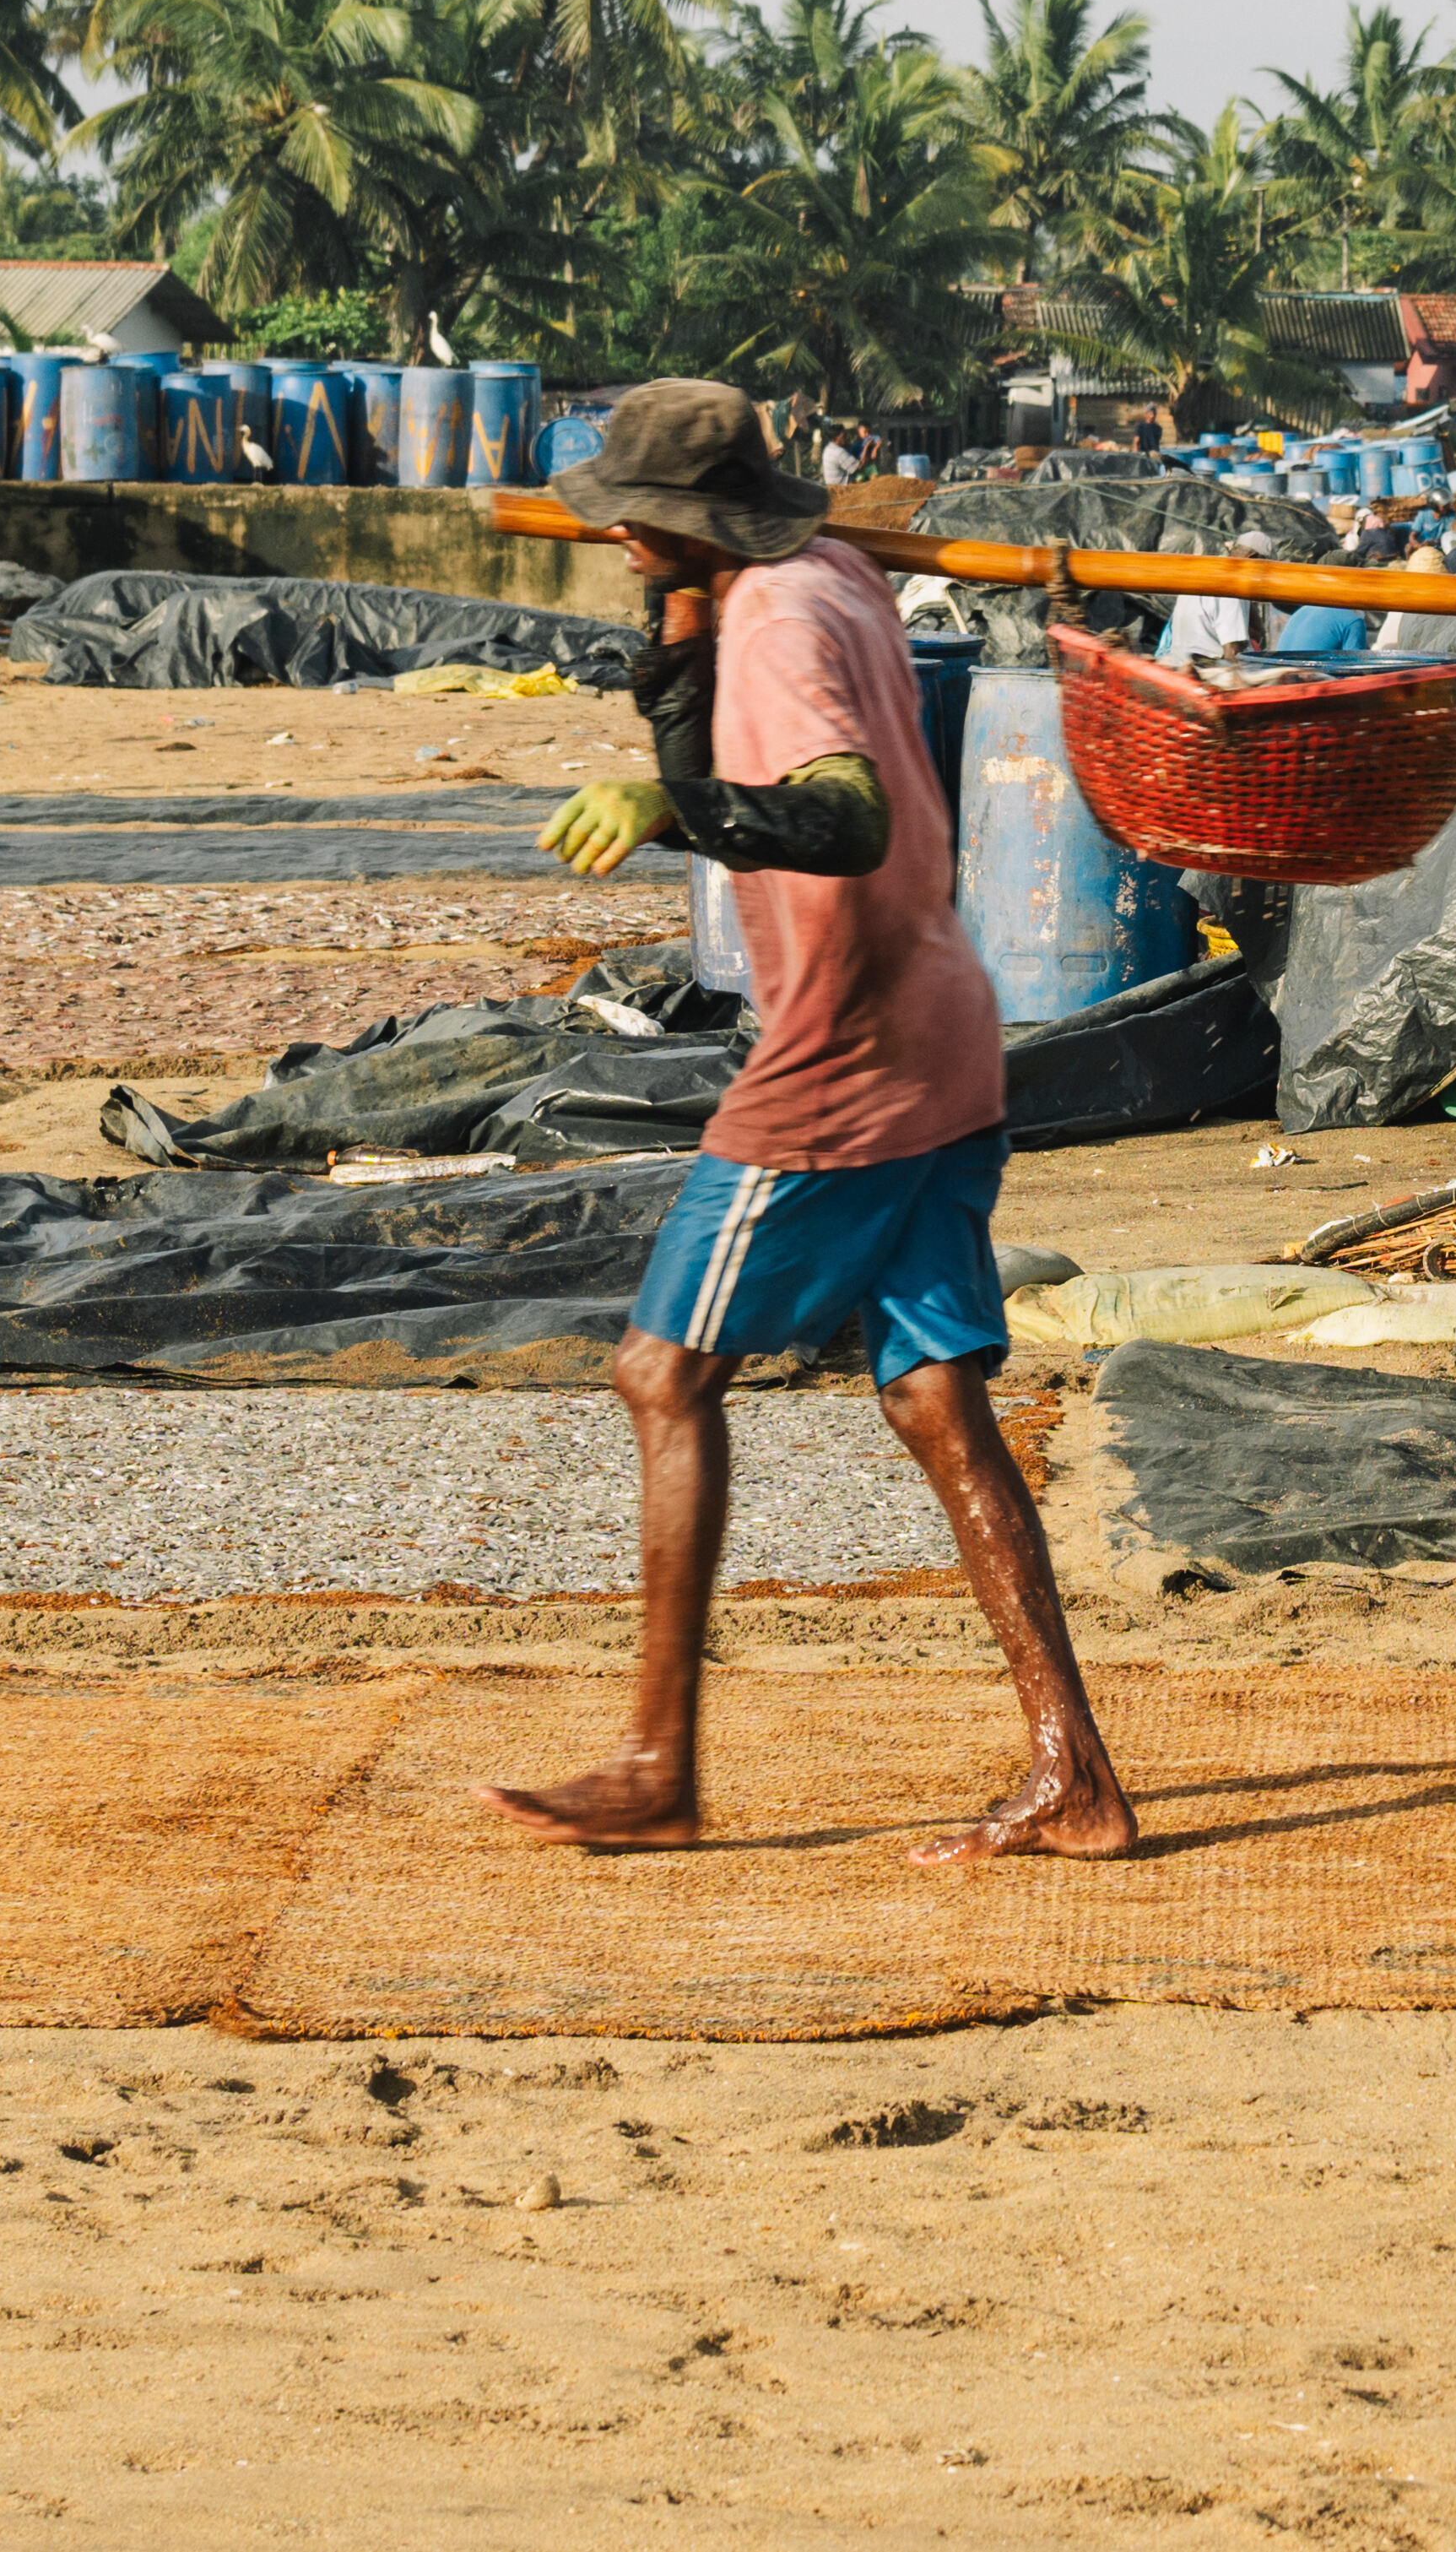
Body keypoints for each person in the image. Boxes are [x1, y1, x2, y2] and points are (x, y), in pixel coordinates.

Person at [485, 378, 1132, 1865]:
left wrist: (674, 813)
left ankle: (657, 1762)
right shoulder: (824, 572)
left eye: (628, 528)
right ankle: (1071, 1773)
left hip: (843, 1060)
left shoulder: (777, 621)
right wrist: (671, 642)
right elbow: (705, 732)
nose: (614, 542)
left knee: (663, 1371)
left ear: (674, 525)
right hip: (952, 1029)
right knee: (933, 1397)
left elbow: (843, 816)